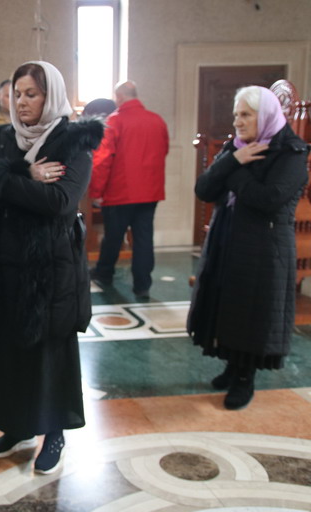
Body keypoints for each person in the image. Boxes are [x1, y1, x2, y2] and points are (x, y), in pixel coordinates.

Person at [0, 62, 102, 474]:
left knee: (50, 354)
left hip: (50, 268)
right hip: (5, 266)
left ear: (51, 96)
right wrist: (23, 173)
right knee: (9, 351)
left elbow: (59, 203)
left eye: (32, 94)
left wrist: (3, 182)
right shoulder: (3, 138)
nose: (22, 102)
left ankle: (54, 433)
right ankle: (17, 426)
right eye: (18, 94)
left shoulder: (74, 141)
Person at [188, 86, 309, 410]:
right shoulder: (236, 148)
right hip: (228, 239)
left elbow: (269, 199)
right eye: (236, 115)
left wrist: (234, 170)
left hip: (264, 248)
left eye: (245, 115)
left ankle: (246, 377)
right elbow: (204, 189)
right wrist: (233, 160)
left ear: (265, 116)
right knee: (229, 306)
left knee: (253, 311)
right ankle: (232, 365)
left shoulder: (291, 153)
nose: (238, 122)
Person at [88, 81, 169, 298]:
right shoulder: (157, 120)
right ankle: (142, 285)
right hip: (149, 191)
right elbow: (164, 150)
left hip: (120, 191)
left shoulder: (114, 121)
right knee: (143, 238)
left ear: (119, 97)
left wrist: (96, 191)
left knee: (113, 236)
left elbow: (102, 160)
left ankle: (104, 273)